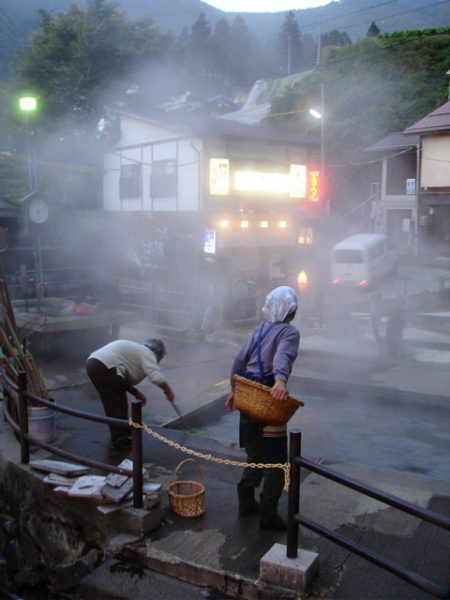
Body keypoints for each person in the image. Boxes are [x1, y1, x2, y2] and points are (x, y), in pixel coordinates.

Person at [225, 285, 300, 530]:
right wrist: (280, 380)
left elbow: (239, 359)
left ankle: (246, 502)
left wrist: (234, 391)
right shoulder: (289, 332)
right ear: (291, 309)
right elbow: (283, 356)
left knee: (255, 455)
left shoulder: (260, 328)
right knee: (276, 461)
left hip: (248, 397)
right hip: (268, 400)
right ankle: (268, 515)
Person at [86, 338, 174, 449]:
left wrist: (135, 392)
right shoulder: (147, 352)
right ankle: (122, 440)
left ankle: (121, 436)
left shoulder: (136, 350)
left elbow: (120, 378)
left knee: (112, 405)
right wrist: (168, 391)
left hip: (93, 363)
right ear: (158, 353)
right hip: (106, 365)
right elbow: (156, 377)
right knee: (118, 405)